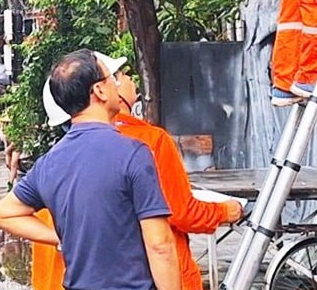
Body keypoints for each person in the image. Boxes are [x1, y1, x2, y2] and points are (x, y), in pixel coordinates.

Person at [33, 52, 244, 290]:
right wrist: (224, 211)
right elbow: (178, 217)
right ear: (102, 91)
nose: (129, 80)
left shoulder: (52, 164)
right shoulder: (147, 144)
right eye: (120, 75)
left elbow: (8, 214)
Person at [0, 50, 182, 290]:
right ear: (99, 91)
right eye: (112, 77)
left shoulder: (49, 163)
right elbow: (159, 245)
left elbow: (3, 214)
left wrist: (63, 239)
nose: (116, 82)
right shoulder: (133, 153)